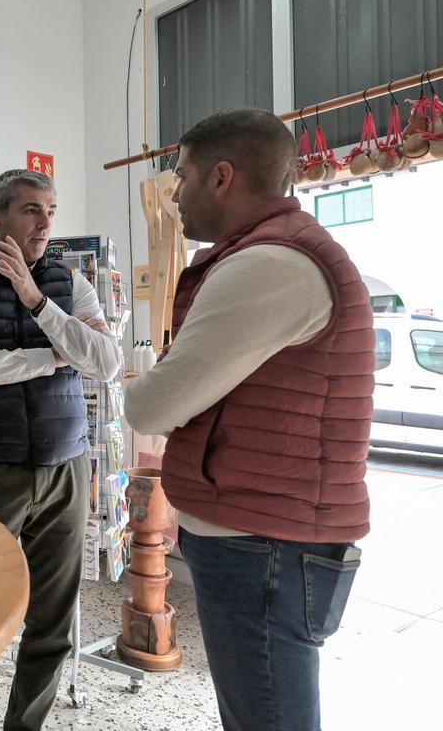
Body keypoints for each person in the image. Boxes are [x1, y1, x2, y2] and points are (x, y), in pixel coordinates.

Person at [123, 109, 372, 731]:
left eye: (181, 176)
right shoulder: (271, 255)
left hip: (265, 544)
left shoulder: (269, 266)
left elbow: (151, 406)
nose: (174, 194)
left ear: (221, 177)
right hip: (266, 532)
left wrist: (146, 376)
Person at [0, 169, 121, 731]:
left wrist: (37, 302)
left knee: (53, 623)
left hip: (66, 465)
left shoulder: (68, 285)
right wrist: (47, 358)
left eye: (51, 211)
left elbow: (106, 362)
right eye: (32, 210)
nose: (45, 224)